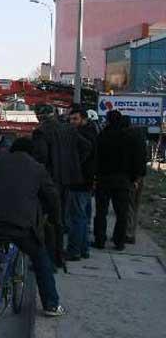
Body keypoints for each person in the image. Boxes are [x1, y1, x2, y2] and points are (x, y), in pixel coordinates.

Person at [0, 137, 65, 317]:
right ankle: (51, 304)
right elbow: (52, 197)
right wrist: (55, 219)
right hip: (20, 226)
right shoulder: (37, 168)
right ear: (32, 153)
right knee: (40, 259)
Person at [31, 104, 91, 268]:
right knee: (60, 220)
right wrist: (74, 165)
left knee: (45, 220)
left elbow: (40, 157)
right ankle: (58, 257)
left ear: (39, 116)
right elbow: (86, 147)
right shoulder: (69, 129)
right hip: (68, 181)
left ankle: (47, 259)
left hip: (49, 182)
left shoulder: (41, 132)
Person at [94, 110, 142, 250]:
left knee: (101, 212)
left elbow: (96, 158)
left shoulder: (103, 136)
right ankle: (119, 241)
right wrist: (134, 178)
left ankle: (100, 240)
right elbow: (136, 160)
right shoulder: (129, 137)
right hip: (123, 180)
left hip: (104, 179)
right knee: (122, 213)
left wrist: (95, 176)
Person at [66, 106, 98, 260]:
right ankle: (83, 249)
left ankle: (74, 250)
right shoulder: (92, 131)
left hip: (79, 181)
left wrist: (73, 167)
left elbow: (81, 156)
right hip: (86, 181)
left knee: (76, 218)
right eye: (70, 119)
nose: (72, 122)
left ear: (84, 119)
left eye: (75, 119)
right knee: (83, 217)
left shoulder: (82, 136)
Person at [119, 116, 148, 244]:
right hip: (139, 177)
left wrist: (134, 178)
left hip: (131, 178)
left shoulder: (127, 138)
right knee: (134, 206)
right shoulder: (139, 137)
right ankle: (130, 232)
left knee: (128, 206)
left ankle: (128, 233)